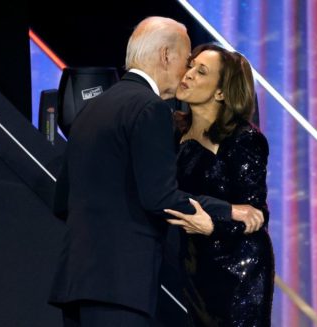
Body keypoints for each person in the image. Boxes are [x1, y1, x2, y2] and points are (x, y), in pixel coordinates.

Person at [48, 18, 264, 327]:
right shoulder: (150, 109)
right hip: (121, 285)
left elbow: (62, 201)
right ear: (166, 56)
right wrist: (228, 211)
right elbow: (159, 197)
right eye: (187, 60)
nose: (187, 71)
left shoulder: (91, 110)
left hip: (76, 285)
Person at [164, 43, 275, 326]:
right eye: (190, 65)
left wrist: (213, 225)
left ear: (221, 92)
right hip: (193, 264)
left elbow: (257, 213)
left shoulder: (243, 139)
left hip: (238, 272)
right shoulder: (172, 130)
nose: (187, 74)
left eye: (201, 72)